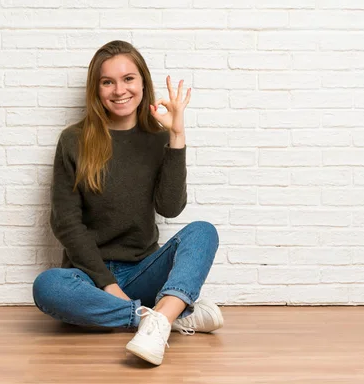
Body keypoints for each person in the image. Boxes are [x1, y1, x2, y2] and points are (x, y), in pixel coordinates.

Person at [32, 40, 223, 366]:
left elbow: (170, 208)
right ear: (97, 89)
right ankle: (165, 317)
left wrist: (176, 137)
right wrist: (106, 283)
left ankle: (155, 317)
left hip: (143, 271)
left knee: (203, 231)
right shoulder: (73, 140)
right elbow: (65, 221)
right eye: (108, 82)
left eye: (128, 79)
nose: (119, 90)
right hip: (89, 278)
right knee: (47, 286)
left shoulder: (158, 138)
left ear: (143, 83)